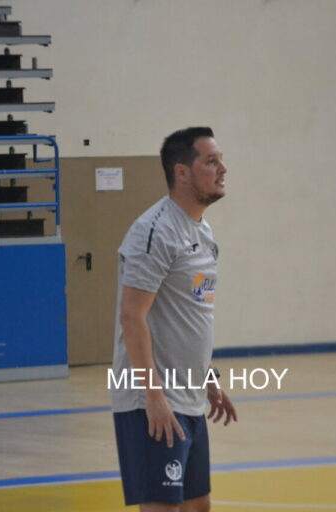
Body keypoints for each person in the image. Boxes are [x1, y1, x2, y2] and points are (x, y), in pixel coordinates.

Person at [111, 127, 237, 512]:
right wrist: (154, 397)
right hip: (153, 402)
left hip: (190, 398)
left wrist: (208, 377)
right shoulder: (156, 231)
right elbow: (132, 317)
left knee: (198, 506)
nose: (223, 169)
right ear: (182, 172)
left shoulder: (203, 232)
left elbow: (188, 313)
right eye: (211, 162)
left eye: (221, 160)